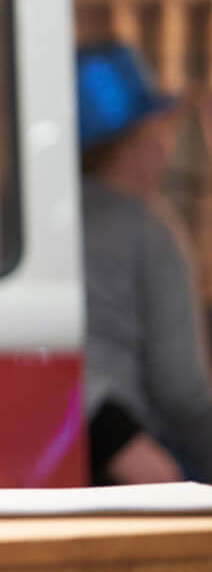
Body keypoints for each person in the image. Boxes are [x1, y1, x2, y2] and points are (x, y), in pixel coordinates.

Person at [76, 41, 212, 485]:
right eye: (159, 128)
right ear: (133, 142)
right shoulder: (148, 231)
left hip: (58, 444)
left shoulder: (36, 222)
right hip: (132, 459)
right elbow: (181, 391)